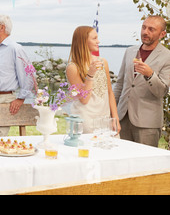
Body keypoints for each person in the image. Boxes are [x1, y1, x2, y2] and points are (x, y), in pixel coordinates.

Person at [114, 15, 170, 147]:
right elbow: (120, 85)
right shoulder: (129, 51)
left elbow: (161, 92)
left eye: (151, 29)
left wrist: (150, 75)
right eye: (144, 27)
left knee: (145, 165)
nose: (145, 32)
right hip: (123, 118)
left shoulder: (167, 56)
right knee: (122, 161)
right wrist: (113, 112)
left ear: (162, 34)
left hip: (147, 123)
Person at [0, 15, 35, 136]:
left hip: (4, 100)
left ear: (1, 28)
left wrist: (21, 98)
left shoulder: (15, 48)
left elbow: (28, 75)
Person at [66, 26, 120, 133]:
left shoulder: (103, 62)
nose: (98, 41)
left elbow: (109, 92)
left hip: (105, 120)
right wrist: (90, 75)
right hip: (86, 121)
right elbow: (84, 99)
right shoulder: (73, 67)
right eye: (94, 38)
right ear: (83, 41)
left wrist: (115, 118)